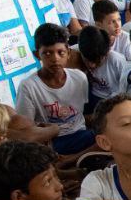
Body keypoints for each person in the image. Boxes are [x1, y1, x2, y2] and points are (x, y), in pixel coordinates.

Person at [15, 23, 94, 156]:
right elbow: (26, 129)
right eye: (47, 53)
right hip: (51, 142)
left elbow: (84, 112)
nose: (55, 59)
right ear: (37, 55)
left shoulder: (79, 78)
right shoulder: (28, 87)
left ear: (68, 53)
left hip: (81, 135)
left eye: (60, 52)